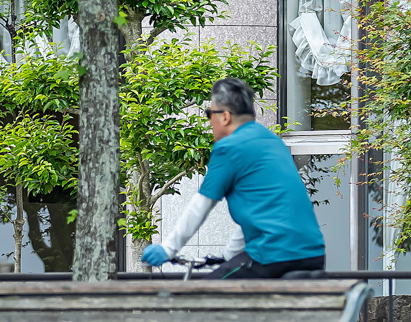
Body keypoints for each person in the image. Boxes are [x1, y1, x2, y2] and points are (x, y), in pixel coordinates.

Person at [139, 77, 325, 278]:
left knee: (202, 296)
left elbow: (201, 205)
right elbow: (259, 214)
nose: (209, 121)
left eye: (209, 114)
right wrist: (227, 256)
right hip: (312, 254)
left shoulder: (229, 147)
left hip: (272, 254)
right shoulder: (273, 142)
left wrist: (168, 248)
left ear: (225, 116)